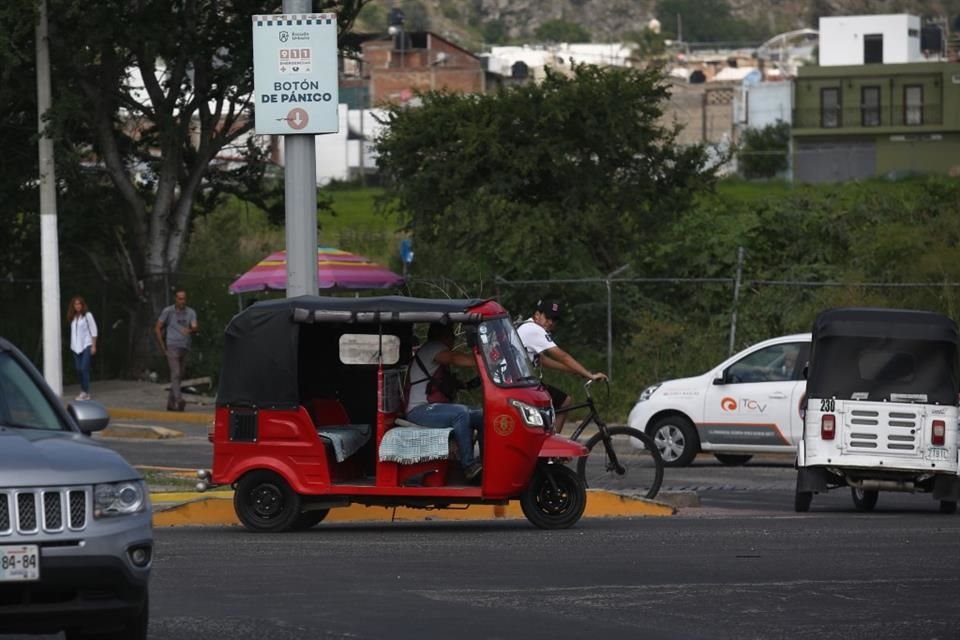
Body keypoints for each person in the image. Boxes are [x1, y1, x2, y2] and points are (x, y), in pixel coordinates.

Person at [405, 322, 483, 480]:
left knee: (481, 415)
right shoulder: (432, 348)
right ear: (444, 336)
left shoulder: (436, 356)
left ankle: (485, 462)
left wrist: (468, 384)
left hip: (434, 408)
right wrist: (484, 361)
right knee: (460, 414)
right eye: (452, 335)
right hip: (420, 410)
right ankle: (469, 466)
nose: (453, 339)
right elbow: (455, 358)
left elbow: (444, 384)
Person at [516, 299, 607, 434]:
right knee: (564, 401)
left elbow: (542, 360)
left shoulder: (528, 327)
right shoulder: (533, 329)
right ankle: (553, 447)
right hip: (521, 385)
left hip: (521, 383)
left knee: (559, 404)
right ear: (537, 315)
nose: (551, 322)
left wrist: (574, 370)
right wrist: (590, 375)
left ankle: (550, 445)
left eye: (554, 320)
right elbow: (562, 356)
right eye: (548, 317)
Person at [155, 289, 199, 412]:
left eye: (184, 298)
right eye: (179, 298)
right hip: (172, 346)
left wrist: (190, 330)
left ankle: (170, 404)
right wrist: (163, 346)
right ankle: (179, 400)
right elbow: (157, 327)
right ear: (175, 299)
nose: (182, 301)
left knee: (179, 376)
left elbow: (195, 326)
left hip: (185, 347)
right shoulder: (168, 311)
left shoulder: (190, 312)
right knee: (176, 373)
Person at [66, 296, 98, 401]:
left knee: (84, 368)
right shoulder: (73, 317)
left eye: (79, 304)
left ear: (83, 305)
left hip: (86, 345)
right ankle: (83, 390)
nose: (77, 306)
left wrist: (93, 345)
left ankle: (85, 392)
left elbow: (94, 330)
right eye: (75, 304)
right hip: (75, 347)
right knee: (78, 369)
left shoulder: (87, 315)